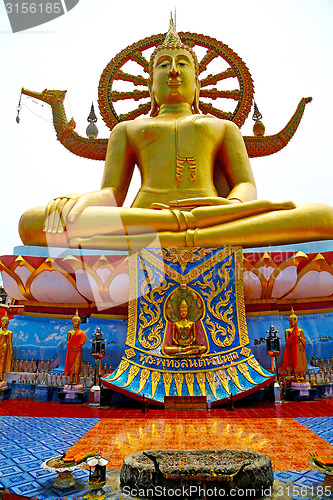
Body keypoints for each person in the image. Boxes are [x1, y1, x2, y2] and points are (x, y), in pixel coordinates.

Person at [18, 18, 333, 251]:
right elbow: (113, 194)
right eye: (163, 65)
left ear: (196, 83)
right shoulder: (127, 129)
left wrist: (230, 205)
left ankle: (178, 235)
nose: (173, 70)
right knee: (34, 222)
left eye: (183, 64)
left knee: (324, 217)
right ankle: (189, 235)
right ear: (151, 85)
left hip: (214, 217)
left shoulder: (223, 127)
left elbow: (245, 184)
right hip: (146, 217)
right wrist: (83, 201)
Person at [281, 308, 308, 379]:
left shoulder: (300, 330)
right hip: (293, 349)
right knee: (295, 363)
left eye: (296, 320)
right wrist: (293, 338)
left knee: (301, 362)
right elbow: (287, 342)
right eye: (293, 320)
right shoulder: (288, 331)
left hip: (300, 348)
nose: (295, 322)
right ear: (290, 322)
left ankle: (302, 375)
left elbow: (304, 341)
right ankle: (296, 376)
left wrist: (299, 338)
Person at [64, 310, 87, 385]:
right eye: (74, 321)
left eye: (77, 321)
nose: (75, 323)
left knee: (77, 365)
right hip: (71, 351)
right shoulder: (69, 332)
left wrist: (77, 346)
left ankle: (76, 380)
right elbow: (68, 342)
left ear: (79, 322)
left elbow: (82, 342)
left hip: (78, 351)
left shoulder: (81, 333)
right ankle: (71, 379)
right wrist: (72, 346)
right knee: (70, 365)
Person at [0, 311, 13, 381]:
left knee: (2, 363)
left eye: (4, 322)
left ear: (7, 323)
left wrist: (11, 352)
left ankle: (1, 376)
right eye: (2, 322)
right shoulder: (0, 332)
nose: (3, 323)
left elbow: (10, 343)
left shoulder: (9, 332)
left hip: (4, 349)